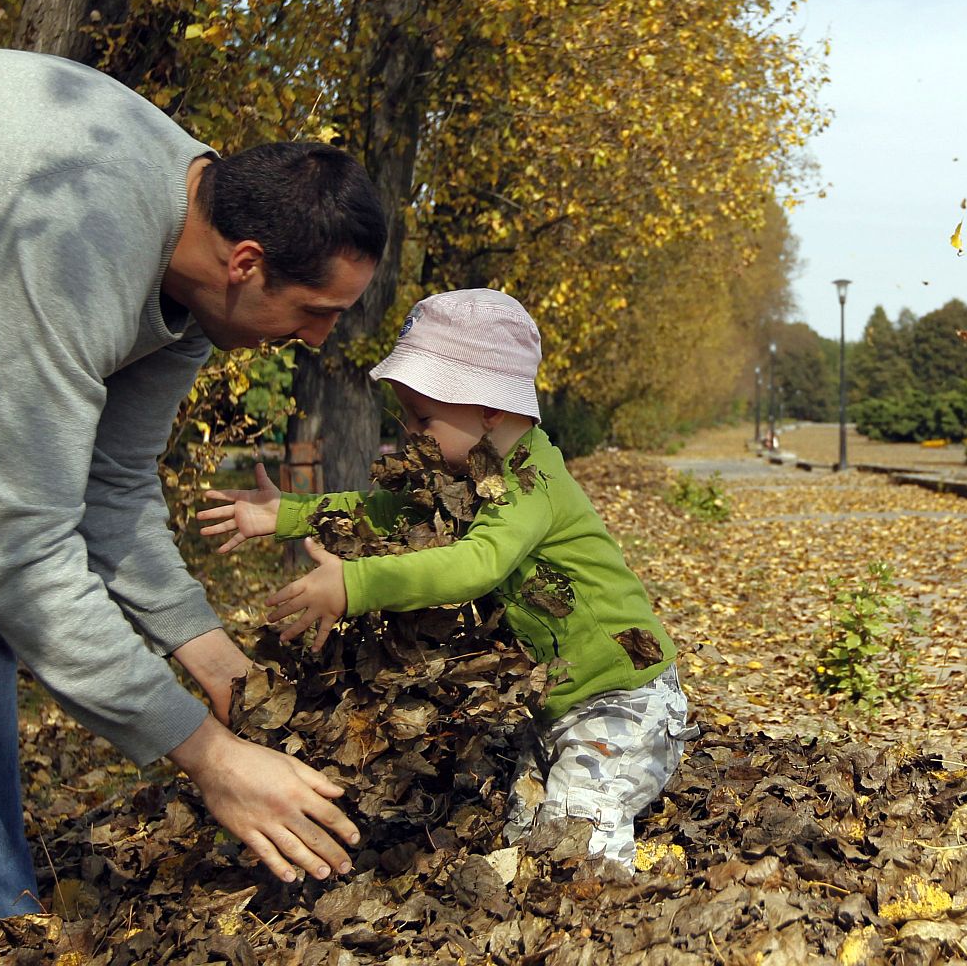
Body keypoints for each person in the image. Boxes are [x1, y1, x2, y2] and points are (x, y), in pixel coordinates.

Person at [0, 48, 386, 958]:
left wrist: (198, 639)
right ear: (247, 264)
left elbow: (111, 482)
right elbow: (22, 555)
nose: (322, 340)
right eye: (318, 311)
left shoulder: (196, 262)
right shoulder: (79, 233)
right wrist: (208, 758)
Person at [199, 289, 697, 864]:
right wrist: (284, 514)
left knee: (578, 827)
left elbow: (475, 565)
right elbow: (384, 513)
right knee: (527, 832)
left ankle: (608, 923)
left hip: (627, 698)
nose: (409, 433)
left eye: (423, 417)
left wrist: (355, 584)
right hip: (562, 707)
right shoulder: (469, 474)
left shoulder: (531, 483)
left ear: (490, 410)